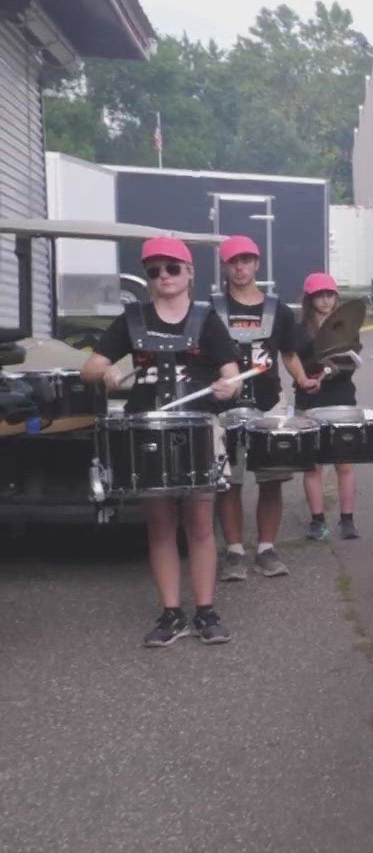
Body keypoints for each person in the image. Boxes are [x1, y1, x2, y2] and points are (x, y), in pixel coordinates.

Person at [82, 237, 243, 646]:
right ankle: (172, 613)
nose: (163, 276)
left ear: (190, 272)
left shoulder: (207, 319)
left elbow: (231, 373)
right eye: (153, 270)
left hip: (198, 427)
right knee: (160, 525)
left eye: (172, 268)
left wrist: (229, 388)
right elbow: (91, 366)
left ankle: (206, 611)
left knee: (201, 525)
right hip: (147, 429)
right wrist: (106, 373)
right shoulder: (133, 318)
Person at [210, 234, 309, 581]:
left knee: (272, 479)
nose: (240, 267)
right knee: (229, 482)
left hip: (269, 403)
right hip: (225, 407)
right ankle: (234, 552)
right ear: (226, 265)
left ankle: (266, 549)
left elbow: (290, 354)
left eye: (246, 260)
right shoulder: (211, 309)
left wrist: (304, 380)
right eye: (234, 261)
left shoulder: (277, 309)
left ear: (256, 264)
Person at [293, 273, 360, 540]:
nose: (326, 299)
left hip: (341, 397)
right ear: (310, 299)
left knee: (344, 463)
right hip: (309, 399)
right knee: (313, 466)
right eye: (320, 295)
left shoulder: (346, 325)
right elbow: (296, 362)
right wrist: (311, 377)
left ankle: (347, 519)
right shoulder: (299, 330)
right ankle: (317, 520)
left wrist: (334, 371)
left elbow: (352, 361)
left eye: (330, 294)